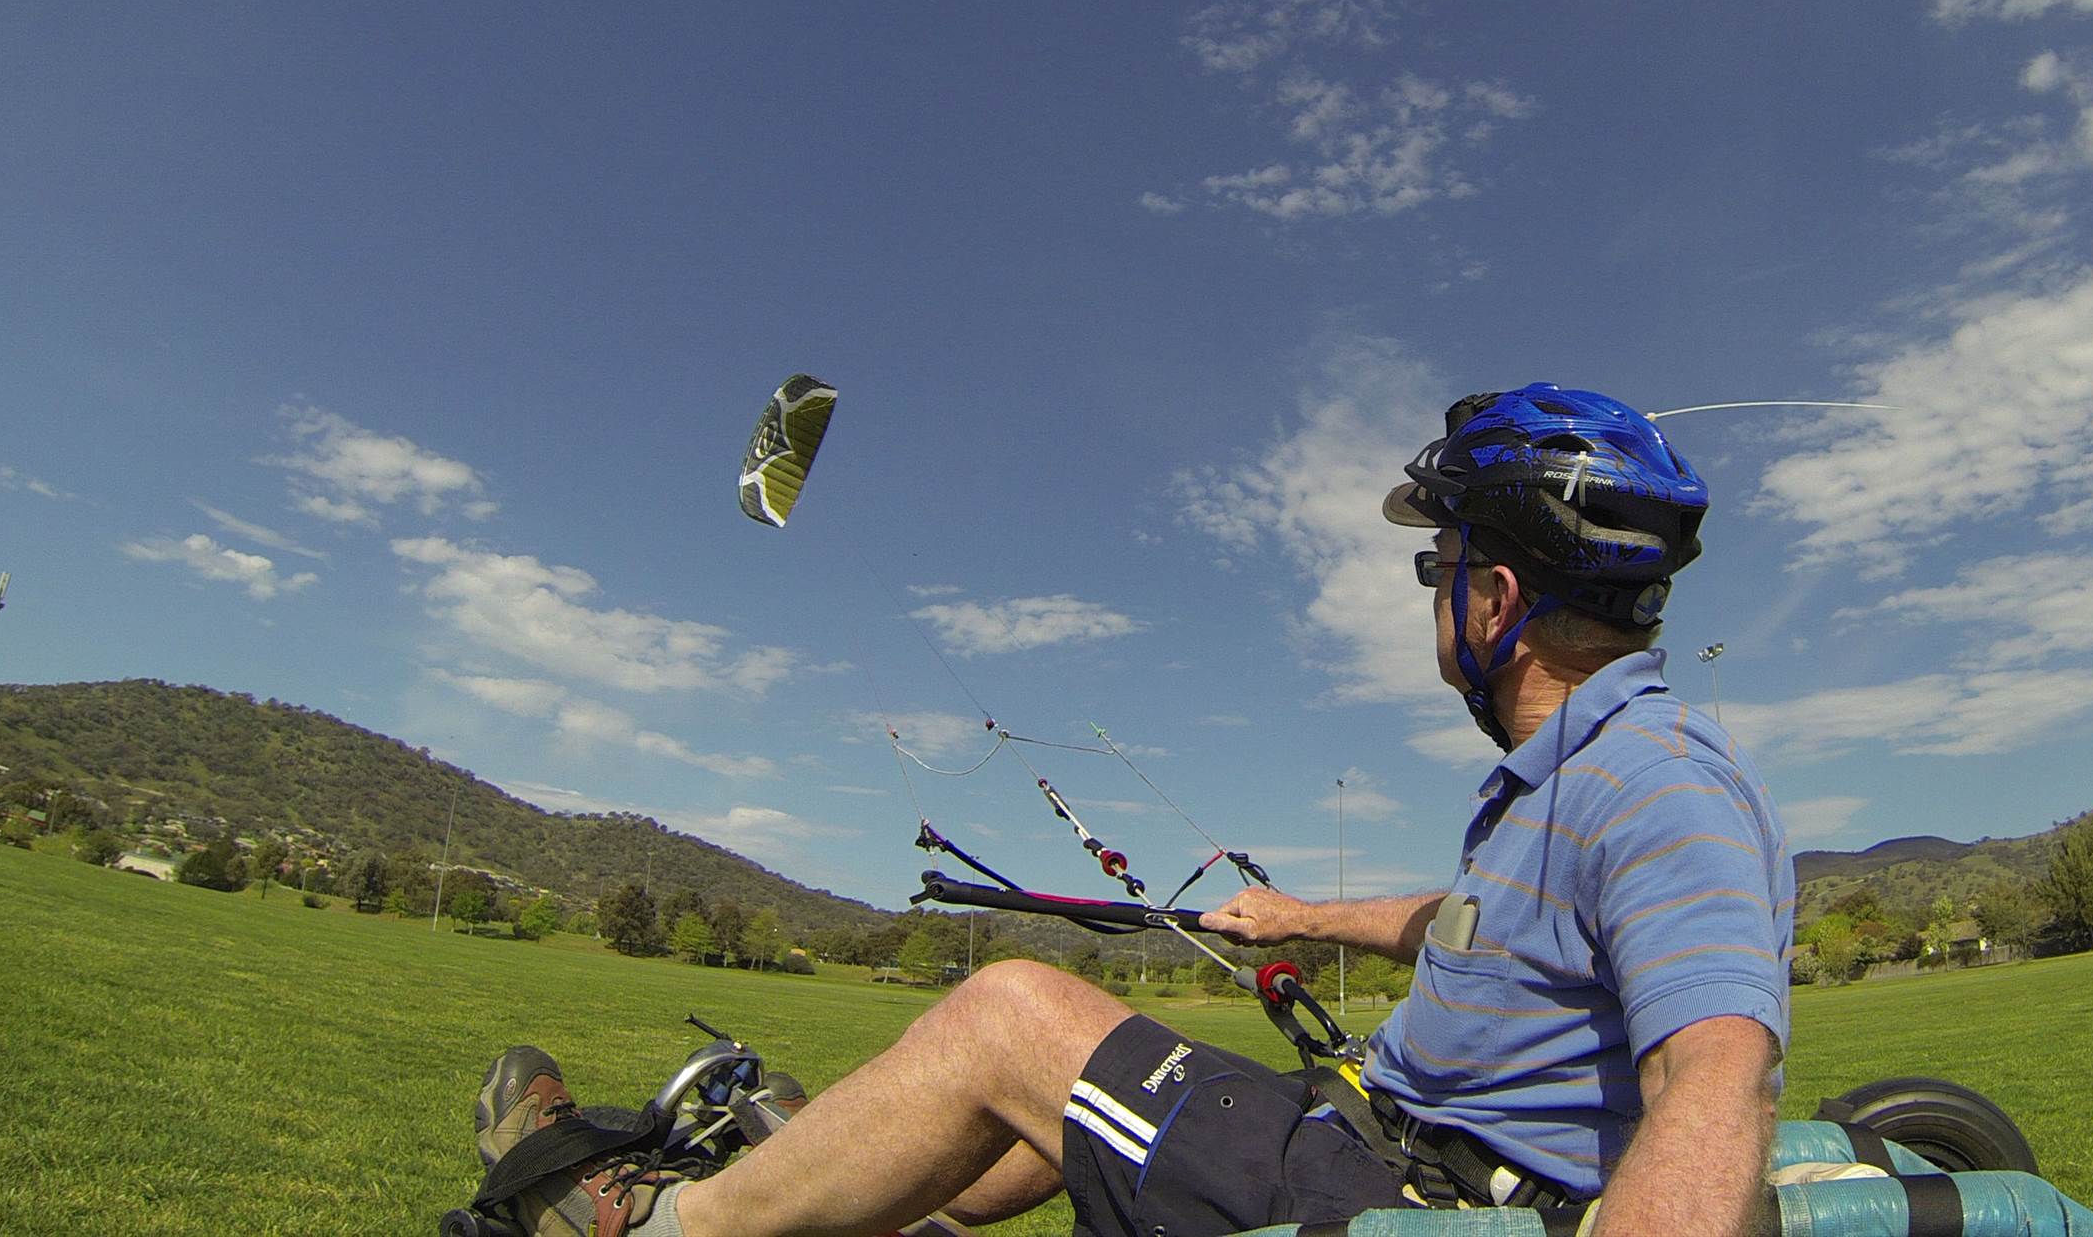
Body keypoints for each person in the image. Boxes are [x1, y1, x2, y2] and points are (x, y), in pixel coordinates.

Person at [465, 384, 1794, 1237]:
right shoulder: (1577, 779)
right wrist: (1300, 915)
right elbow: (1476, 925)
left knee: (1011, 1016)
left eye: (1436, 564)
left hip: (1412, 1191)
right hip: (1370, 1134)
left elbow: (1717, 1076)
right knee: (1060, 1107)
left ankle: (657, 1230)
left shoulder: (1658, 786)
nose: (1429, 590)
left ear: (1494, 602)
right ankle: (841, 1189)